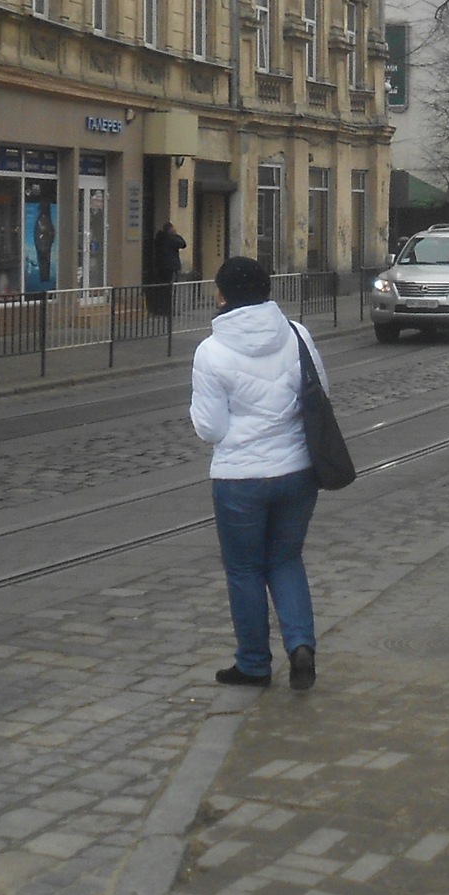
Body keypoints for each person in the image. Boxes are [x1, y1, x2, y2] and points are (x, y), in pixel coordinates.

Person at [189, 255, 325, 691]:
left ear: (222, 296)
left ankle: (252, 664)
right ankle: (300, 644)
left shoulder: (210, 351)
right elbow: (320, 393)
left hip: (239, 479)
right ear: (268, 291)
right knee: (286, 558)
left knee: (244, 569)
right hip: (297, 470)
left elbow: (211, 428)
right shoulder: (297, 334)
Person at [150, 219, 187, 317]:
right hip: (170, 267)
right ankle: (167, 310)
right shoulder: (171, 239)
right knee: (169, 289)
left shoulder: (159, 238)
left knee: (161, 288)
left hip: (160, 266)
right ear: (170, 230)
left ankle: (159, 309)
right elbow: (183, 244)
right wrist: (176, 235)